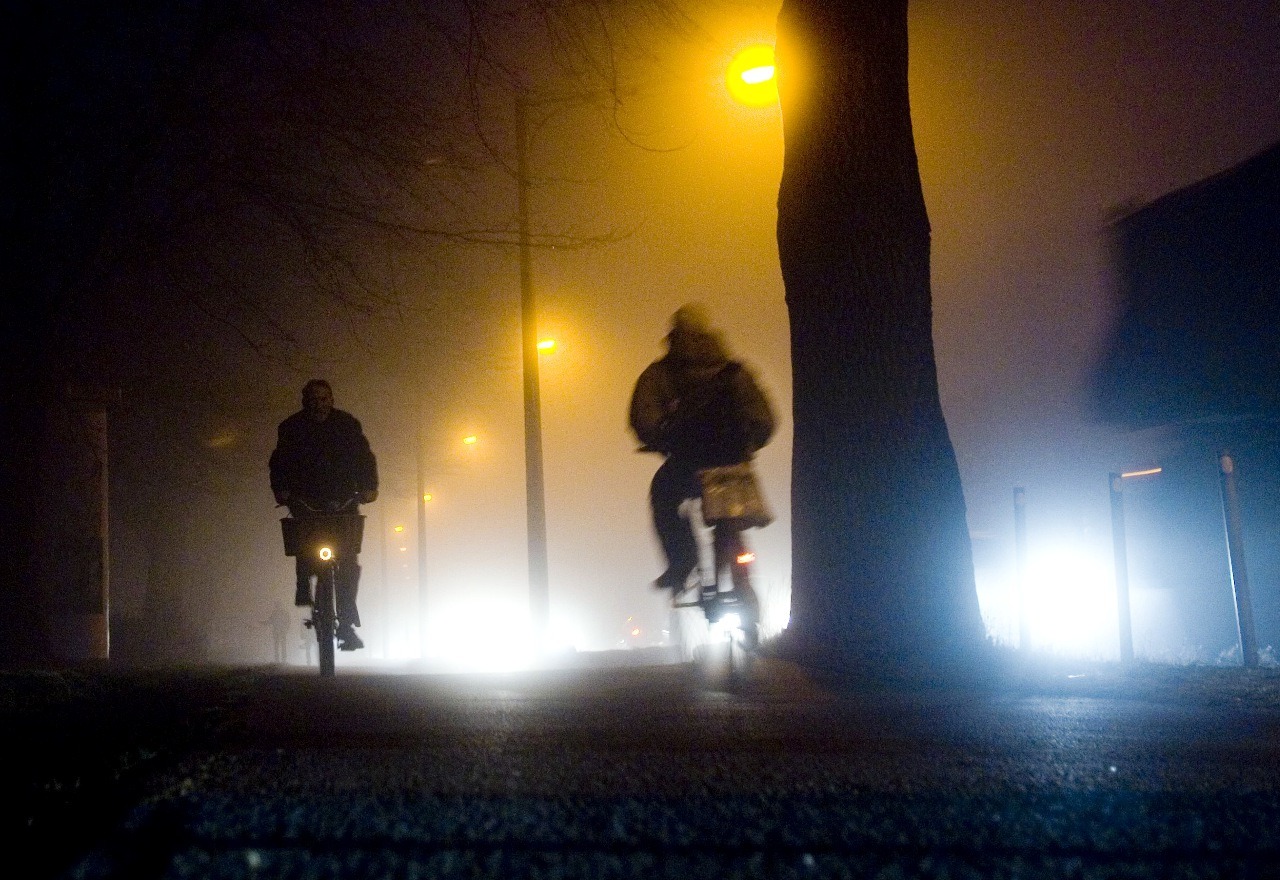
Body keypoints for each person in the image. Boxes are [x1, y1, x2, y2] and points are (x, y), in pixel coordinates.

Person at [628, 304, 776, 594]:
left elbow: (643, 419)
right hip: (736, 466)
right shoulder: (736, 371)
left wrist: (660, 439)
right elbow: (766, 420)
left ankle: (682, 562)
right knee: (734, 520)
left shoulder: (659, 375)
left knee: (663, 496)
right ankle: (744, 585)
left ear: (673, 336)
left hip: (688, 467)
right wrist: (750, 441)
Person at [269, 379, 378, 651]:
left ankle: (347, 621)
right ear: (305, 401)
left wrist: (369, 488)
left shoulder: (347, 426)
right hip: (306, 500)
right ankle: (303, 580)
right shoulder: (291, 428)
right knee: (304, 543)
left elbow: (364, 458)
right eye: (313, 399)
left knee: (349, 560)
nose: (319, 404)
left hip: (343, 500)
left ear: (332, 399)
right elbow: (279, 462)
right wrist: (282, 491)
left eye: (324, 398)